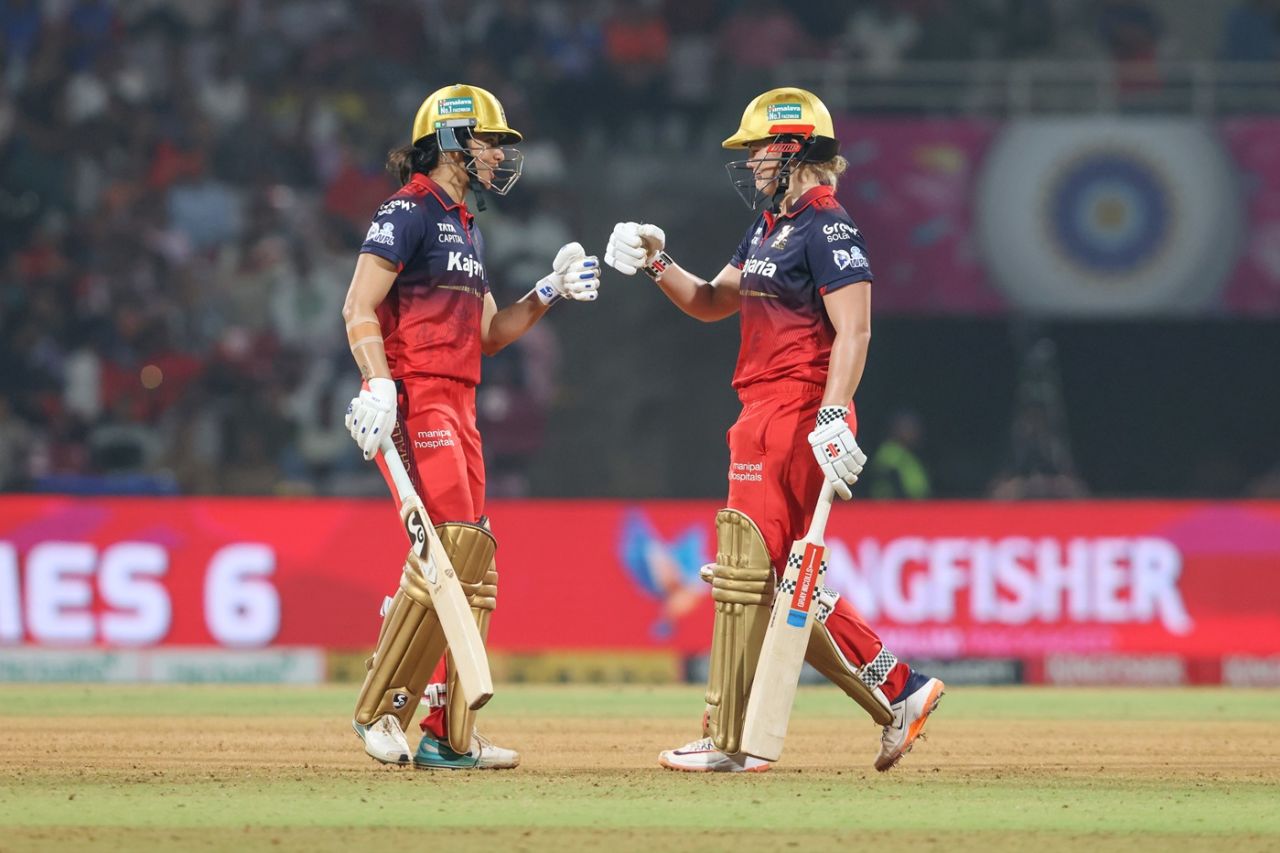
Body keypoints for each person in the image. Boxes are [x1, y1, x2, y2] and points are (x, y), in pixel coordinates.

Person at [604, 87, 943, 773]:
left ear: (792, 150)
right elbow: (710, 302)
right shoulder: (767, 227)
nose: (752, 163)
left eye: (760, 150)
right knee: (784, 579)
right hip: (760, 412)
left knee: (754, 575)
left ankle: (731, 738)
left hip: (794, 413)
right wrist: (656, 263)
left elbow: (856, 327)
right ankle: (898, 688)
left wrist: (832, 409)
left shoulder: (827, 225)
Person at [342, 83, 601, 770]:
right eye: (488, 141)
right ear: (454, 140)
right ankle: (380, 710)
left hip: (462, 401)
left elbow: (489, 332)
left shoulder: (465, 224)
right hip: (416, 398)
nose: (498, 156)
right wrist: (379, 384)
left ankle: (449, 735)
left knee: (470, 564)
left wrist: (550, 289)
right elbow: (357, 306)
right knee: (449, 555)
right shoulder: (409, 209)